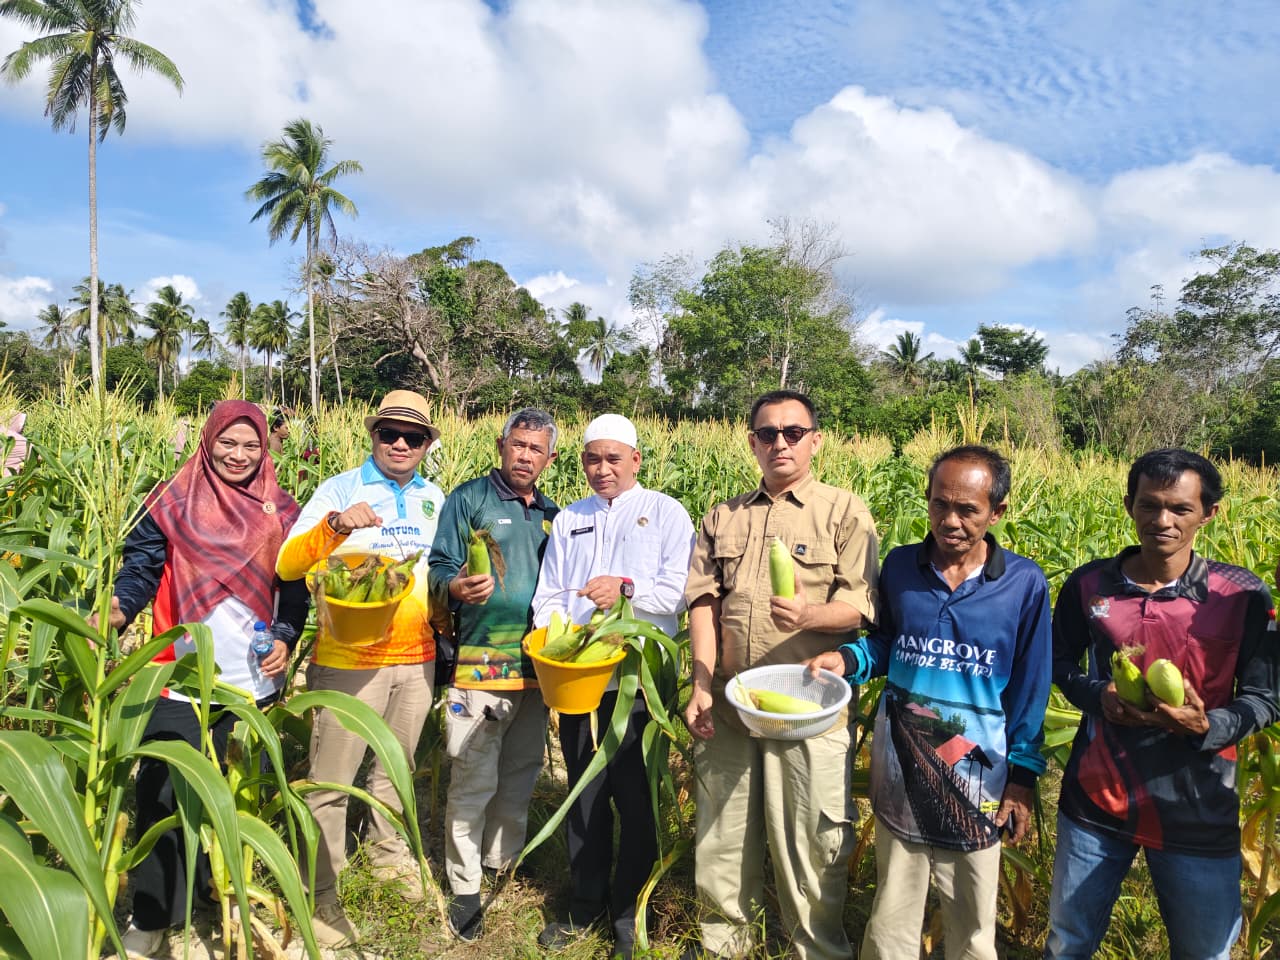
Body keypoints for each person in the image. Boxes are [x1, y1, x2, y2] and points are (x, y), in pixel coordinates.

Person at [809, 444, 1052, 960]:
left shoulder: (1023, 583)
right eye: (941, 504)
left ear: (997, 512)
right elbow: (884, 643)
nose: (951, 521)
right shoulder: (900, 566)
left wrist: (1023, 777)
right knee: (894, 906)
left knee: (971, 916)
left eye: (968, 510)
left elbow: (1032, 685)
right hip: (900, 765)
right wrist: (847, 661)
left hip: (978, 776)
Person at [1045, 448, 1280, 960]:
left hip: (1197, 806)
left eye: (1180, 508)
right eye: (1149, 505)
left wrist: (1209, 725)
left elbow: (1265, 697)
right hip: (1096, 802)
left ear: (1209, 514)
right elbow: (1059, 663)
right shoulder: (1089, 584)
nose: (1162, 521)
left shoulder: (1241, 595)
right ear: (1129, 504)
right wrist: (1097, 694)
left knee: (1204, 951)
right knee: (1069, 943)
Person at [102, 400, 307, 958]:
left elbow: (294, 586)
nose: (239, 455)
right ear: (208, 440)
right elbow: (141, 570)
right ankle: (150, 918)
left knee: (239, 801)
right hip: (180, 676)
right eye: (228, 443)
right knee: (161, 797)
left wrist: (287, 635)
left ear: (264, 448)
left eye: (251, 445)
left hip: (251, 681)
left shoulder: (282, 510)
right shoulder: (168, 501)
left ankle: (226, 897)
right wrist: (118, 608)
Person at [682, 389, 879, 960]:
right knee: (722, 832)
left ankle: (815, 949)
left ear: (815, 440)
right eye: (768, 434)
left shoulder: (844, 511)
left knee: (813, 841)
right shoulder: (723, 516)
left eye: (793, 432)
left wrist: (813, 615)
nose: (780, 443)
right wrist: (699, 683)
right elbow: (702, 603)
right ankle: (725, 942)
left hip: (810, 708)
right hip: (731, 701)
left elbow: (861, 605)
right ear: (752, 443)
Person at [276, 389, 450, 948]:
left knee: (393, 772)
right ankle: (319, 890)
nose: (400, 443)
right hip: (349, 661)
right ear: (372, 435)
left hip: (417, 659)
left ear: (427, 444)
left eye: (413, 436)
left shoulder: (436, 499)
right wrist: (334, 525)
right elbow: (287, 562)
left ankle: (387, 857)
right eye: (389, 433)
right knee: (330, 781)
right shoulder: (340, 489)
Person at [530, 413, 695, 960]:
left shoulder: (666, 513)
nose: (601, 469)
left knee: (636, 791)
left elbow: (677, 591)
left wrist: (625, 589)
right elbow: (550, 592)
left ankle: (630, 909)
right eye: (592, 459)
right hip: (578, 674)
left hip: (640, 675)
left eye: (612, 459)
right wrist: (548, 637)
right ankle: (585, 900)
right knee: (583, 788)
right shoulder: (569, 518)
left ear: (636, 461)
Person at [427, 408, 561, 941]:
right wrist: (455, 586)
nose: (525, 456)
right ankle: (463, 887)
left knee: (522, 771)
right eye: (518, 445)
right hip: (481, 662)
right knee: (473, 775)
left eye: (536, 450)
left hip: (535, 668)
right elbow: (438, 566)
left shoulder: (551, 513)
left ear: (549, 459)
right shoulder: (470, 499)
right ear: (501, 445)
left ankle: (499, 861)